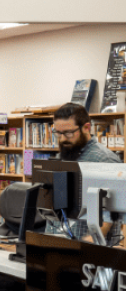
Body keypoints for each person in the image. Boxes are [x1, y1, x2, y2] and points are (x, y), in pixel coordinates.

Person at [48, 102, 123, 243]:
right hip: (59, 243)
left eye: (69, 133)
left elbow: (111, 211)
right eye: (58, 133)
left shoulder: (104, 160)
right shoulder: (63, 156)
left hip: (90, 251)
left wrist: (88, 242)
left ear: (86, 128)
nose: (63, 139)